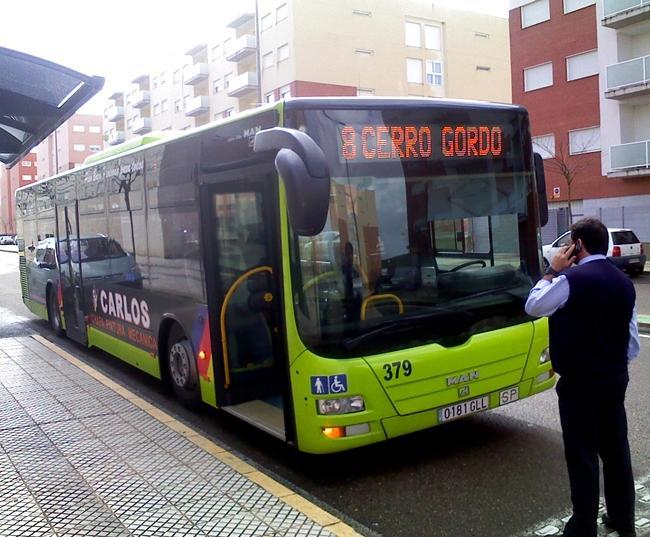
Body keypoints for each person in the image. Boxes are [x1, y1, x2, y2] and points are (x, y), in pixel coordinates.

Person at [525, 217, 639, 537]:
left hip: (580, 383)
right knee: (616, 450)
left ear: (577, 244)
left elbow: (534, 305)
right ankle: (623, 520)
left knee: (582, 454)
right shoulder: (624, 282)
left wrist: (552, 270)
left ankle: (583, 527)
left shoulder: (572, 279)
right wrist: (612, 364)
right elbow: (632, 342)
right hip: (615, 379)